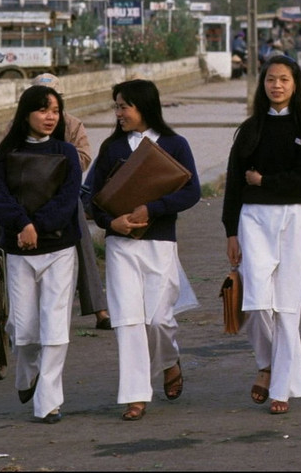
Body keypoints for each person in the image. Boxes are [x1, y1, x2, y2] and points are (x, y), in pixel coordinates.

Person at [88, 79, 202, 421]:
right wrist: (112, 223)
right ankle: (136, 394)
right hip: (121, 246)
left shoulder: (174, 144)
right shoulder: (112, 148)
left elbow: (192, 191)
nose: (119, 113)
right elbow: (93, 199)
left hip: (160, 243)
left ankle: (169, 360)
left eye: (125, 106)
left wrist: (153, 209)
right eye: (117, 106)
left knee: (158, 319)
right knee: (128, 321)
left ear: (144, 107)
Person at [223, 56, 301, 415]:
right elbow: (235, 183)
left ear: (296, 84)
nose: (277, 86)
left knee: (287, 307)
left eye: (284, 79)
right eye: (271, 79)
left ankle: (280, 388)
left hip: (295, 218)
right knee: (253, 302)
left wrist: (265, 181)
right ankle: (266, 362)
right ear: (263, 84)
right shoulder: (250, 129)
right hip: (252, 218)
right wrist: (230, 231)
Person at [0, 84, 83, 424]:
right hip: (19, 252)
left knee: (55, 328)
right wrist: (23, 225)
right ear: (26, 113)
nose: (50, 117)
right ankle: (27, 374)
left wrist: (36, 227)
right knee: (23, 328)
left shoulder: (67, 153)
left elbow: (68, 200)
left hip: (59, 250)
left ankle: (48, 402)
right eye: (43, 110)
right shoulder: (6, 152)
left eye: (55, 111)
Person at [30, 73, 111, 331]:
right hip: (29, 195)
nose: (48, 113)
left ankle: (100, 309)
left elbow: (84, 158)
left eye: (53, 103)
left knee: (83, 243)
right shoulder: (17, 126)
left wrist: (55, 161)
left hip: (65, 193)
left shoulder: (72, 124)